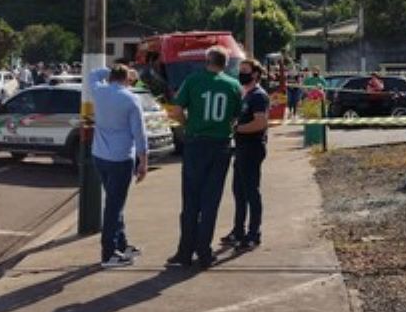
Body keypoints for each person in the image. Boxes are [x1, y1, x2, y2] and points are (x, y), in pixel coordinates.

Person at [166, 46, 242, 269]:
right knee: (211, 201)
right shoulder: (233, 85)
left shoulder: (193, 80)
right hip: (220, 145)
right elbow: (236, 115)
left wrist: (189, 126)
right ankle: (204, 251)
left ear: (207, 61)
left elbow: (177, 110)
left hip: (196, 144)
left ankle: (185, 251)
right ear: (225, 63)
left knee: (191, 200)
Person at [88, 64, 150, 268]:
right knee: (115, 206)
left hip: (100, 155)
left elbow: (93, 73)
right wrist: (144, 161)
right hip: (121, 158)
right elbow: (139, 133)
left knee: (115, 202)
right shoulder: (131, 99)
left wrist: (111, 71)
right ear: (127, 78)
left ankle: (121, 244)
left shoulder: (99, 91)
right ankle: (108, 252)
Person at [220, 59, 270, 251]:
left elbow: (260, 123)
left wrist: (237, 129)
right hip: (241, 148)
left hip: (252, 148)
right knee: (239, 192)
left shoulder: (258, 96)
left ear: (256, 74)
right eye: (240, 71)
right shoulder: (245, 95)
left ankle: (254, 233)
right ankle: (238, 231)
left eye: (245, 71)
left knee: (251, 192)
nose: (241, 74)